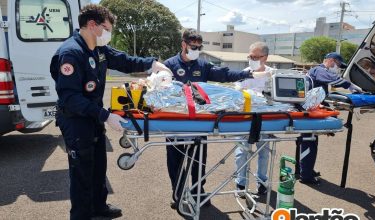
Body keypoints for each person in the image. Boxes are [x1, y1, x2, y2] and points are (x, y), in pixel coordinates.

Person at [49, 4, 171, 220]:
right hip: (76, 120)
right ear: (92, 25)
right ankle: (82, 215)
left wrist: (153, 64)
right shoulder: (71, 53)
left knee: (98, 168)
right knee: (81, 172)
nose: (109, 34)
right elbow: (71, 98)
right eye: (107, 29)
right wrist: (106, 116)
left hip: (93, 116)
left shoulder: (99, 49)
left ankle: (99, 207)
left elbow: (124, 60)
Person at [163, 28, 254, 208]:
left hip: (199, 124)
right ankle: (178, 194)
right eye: (192, 46)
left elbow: (225, 74)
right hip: (176, 123)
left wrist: (246, 73)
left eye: (198, 46)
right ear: (183, 44)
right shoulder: (170, 65)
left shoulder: (203, 65)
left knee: (198, 162)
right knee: (175, 163)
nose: (196, 49)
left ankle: (198, 192)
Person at [298, 52, 362, 185]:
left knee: (307, 141)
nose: (338, 68)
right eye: (338, 65)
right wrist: (349, 85)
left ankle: (304, 169)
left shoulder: (317, 72)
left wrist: (327, 110)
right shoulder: (319, 70)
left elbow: (321, 95)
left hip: (310, 111)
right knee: (309, 142)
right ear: (331, 61)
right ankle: (306, 176)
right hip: (308, 113)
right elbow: (332, 79)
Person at [234, 42, 274, 195]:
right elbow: (237, 94)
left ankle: (262, 182)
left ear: (266, 57)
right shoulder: (244, 73)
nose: (253, 59)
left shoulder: (273, 74)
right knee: (241, 151)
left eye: (257, 57)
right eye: (251, 56)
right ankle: (241, 183)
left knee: (264, 151)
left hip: (266, 118)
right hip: (245, 119)